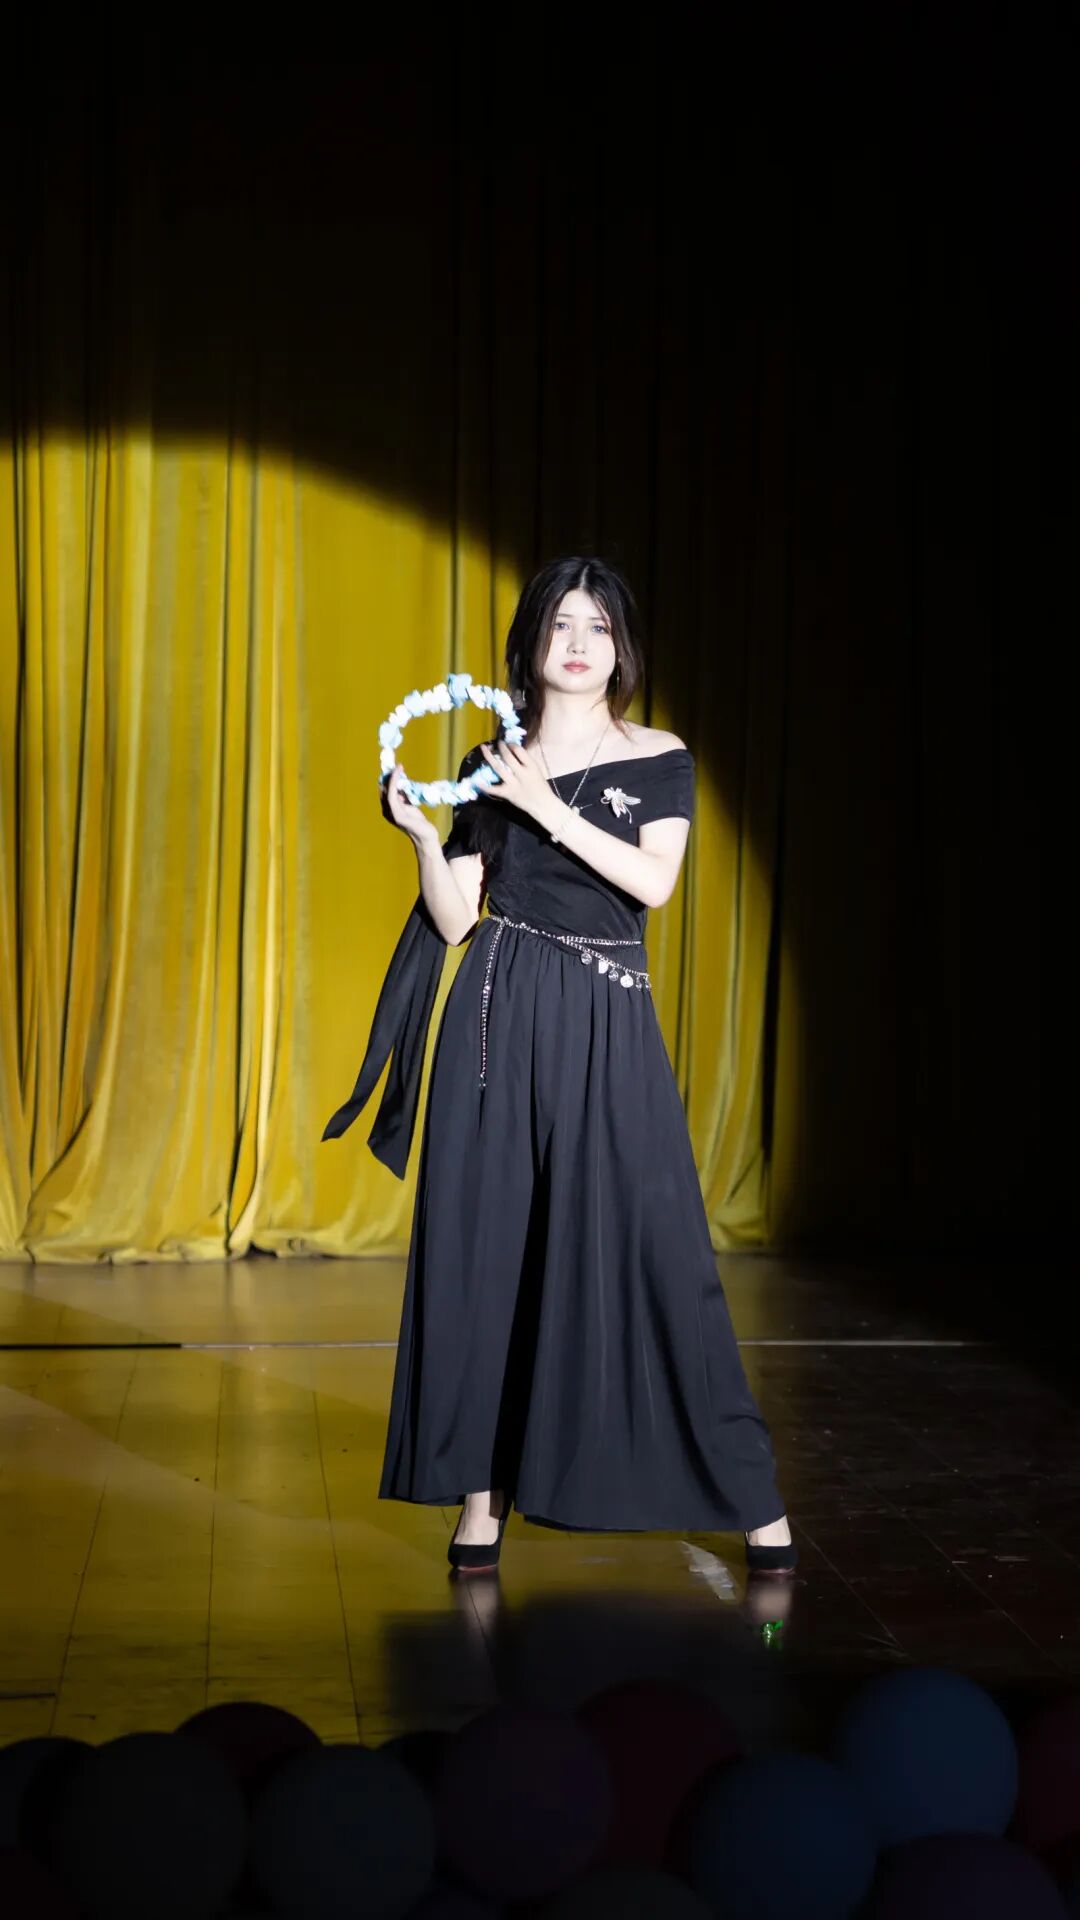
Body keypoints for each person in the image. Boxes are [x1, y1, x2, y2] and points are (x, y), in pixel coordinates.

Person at [323, 557, 795, 1576]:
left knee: (660, 1254)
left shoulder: (658, 756)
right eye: (562, 625)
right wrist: (421, 838)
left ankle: (752, 1499)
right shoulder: (491, 760)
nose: (580, 644)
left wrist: (548, 806)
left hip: (604, 1016)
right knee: (487, 1257)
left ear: (622, 650)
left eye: (600, 627)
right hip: (497, 1017)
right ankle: (481, 1499)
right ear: (532, 642)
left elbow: (654, 884)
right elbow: (458, 919)